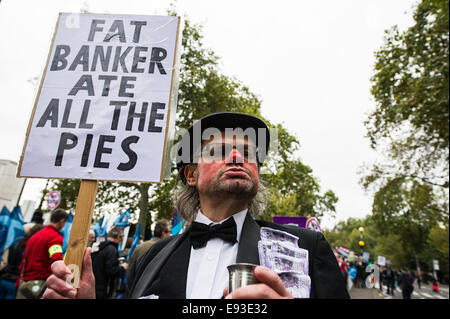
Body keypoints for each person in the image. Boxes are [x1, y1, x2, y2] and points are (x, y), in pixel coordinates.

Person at [43, 112, 350, 299]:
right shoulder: (149, 258)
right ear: (191, 174)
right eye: (218, 150)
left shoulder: (305, 248)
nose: (237, 158)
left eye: (248, 153)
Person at [16, 209, 68, 299]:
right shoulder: (55, 237)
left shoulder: (35, 235)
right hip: (39, 285)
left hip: (24, 282)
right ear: (62, 220)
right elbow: (57, 260)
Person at [0, 224, 44, 299]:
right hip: (16, 282)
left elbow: (4, 262)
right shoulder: (33, 249)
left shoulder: (15, 242)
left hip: (4, 278)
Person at [91, 227, 128, 299]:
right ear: (118, 236)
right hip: (103, 287)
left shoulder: (96, 244)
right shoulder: (111, 249)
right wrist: (122, 268)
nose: (121, 240)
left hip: (92, 283)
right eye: (121, 238)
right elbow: (111, 271)